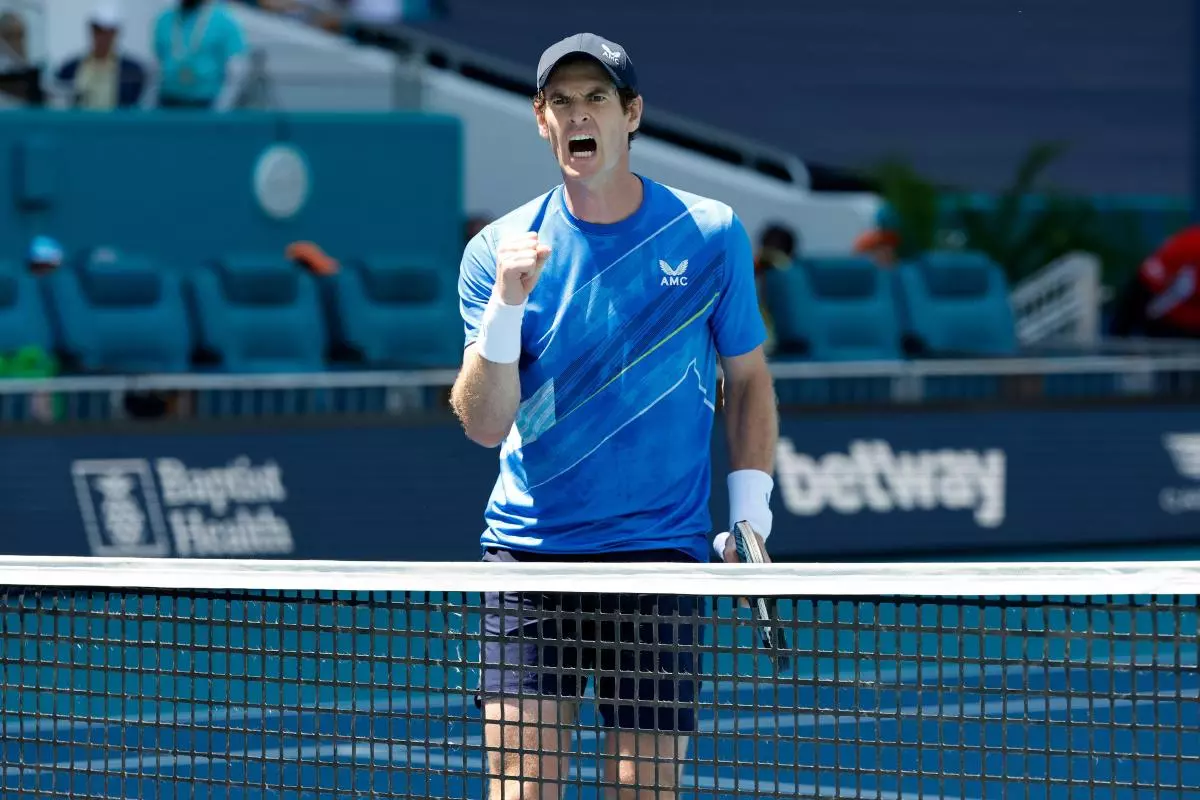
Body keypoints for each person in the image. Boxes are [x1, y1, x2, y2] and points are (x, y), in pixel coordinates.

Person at [449, 32, 779, 800]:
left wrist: (752, 514)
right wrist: (506, 306)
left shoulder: (709, 235)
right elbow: (483, 424)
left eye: (596, 98)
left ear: (631, 114)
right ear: (540, 119)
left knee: (641, 789)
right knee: (520, 787)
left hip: (659, 558)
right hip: (530, 558)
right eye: (560, 101)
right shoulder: (496, 252)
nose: (577, 114)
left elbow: (750, 381)